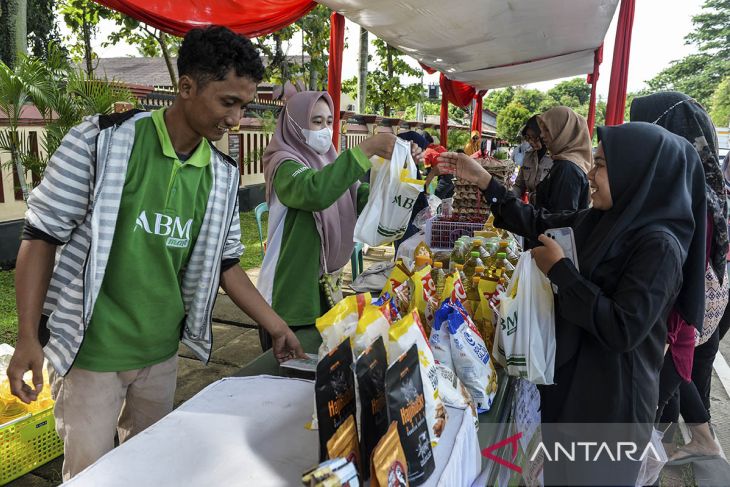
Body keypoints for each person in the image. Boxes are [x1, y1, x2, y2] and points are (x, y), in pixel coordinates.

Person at [7, 26, 306, 480]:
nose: (236, 119)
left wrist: (276, 325)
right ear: (186, 87)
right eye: (228, 102)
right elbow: (40, 235)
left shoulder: (221, 177)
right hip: (91, 354)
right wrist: (28, 336)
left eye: (244, 106)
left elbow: (228, 265)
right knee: (91, 473)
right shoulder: (100, 142)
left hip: (161, 354)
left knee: (150, 468)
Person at [437, 122, 707, 484]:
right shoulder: (603, 220)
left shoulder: (659, 246)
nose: (590, 175)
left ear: (636, 173)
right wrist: (486, 182)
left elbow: (624, 327)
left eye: (600, 166)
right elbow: (540, 223)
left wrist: (562, 272)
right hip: (573, 387)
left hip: (611, 406)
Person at [258, 92, 423, 346]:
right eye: (316, 121)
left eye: (328, 121)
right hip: (290, 292)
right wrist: (367, 148)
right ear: (294, 124)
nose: (324, 129)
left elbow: (359, 196)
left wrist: (400, 170)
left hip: (326, 286)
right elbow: (316, 191)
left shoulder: (329, 160)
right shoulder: (284, 165)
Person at [631, 91, 729, 463]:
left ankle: (681, 445)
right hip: (696, 306)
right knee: (674, 382)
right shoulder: (695, 182)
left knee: (672, 377)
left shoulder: (688, 192)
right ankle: (669, 444)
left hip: (687, 312)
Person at [532, 106, 591, 213]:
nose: (541, 135)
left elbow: (560, 219)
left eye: (547, 130)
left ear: (564, 132)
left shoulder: (567, 168)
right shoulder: (568, 163)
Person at [511, 115, 554, 204]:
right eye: (527, 137)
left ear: (543, 136)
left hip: (549, 213)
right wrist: (509, 198)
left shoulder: (555, 158)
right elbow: (519, 186)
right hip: (532, 211)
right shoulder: (528, 156)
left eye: (534, 137)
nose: (530, 141)